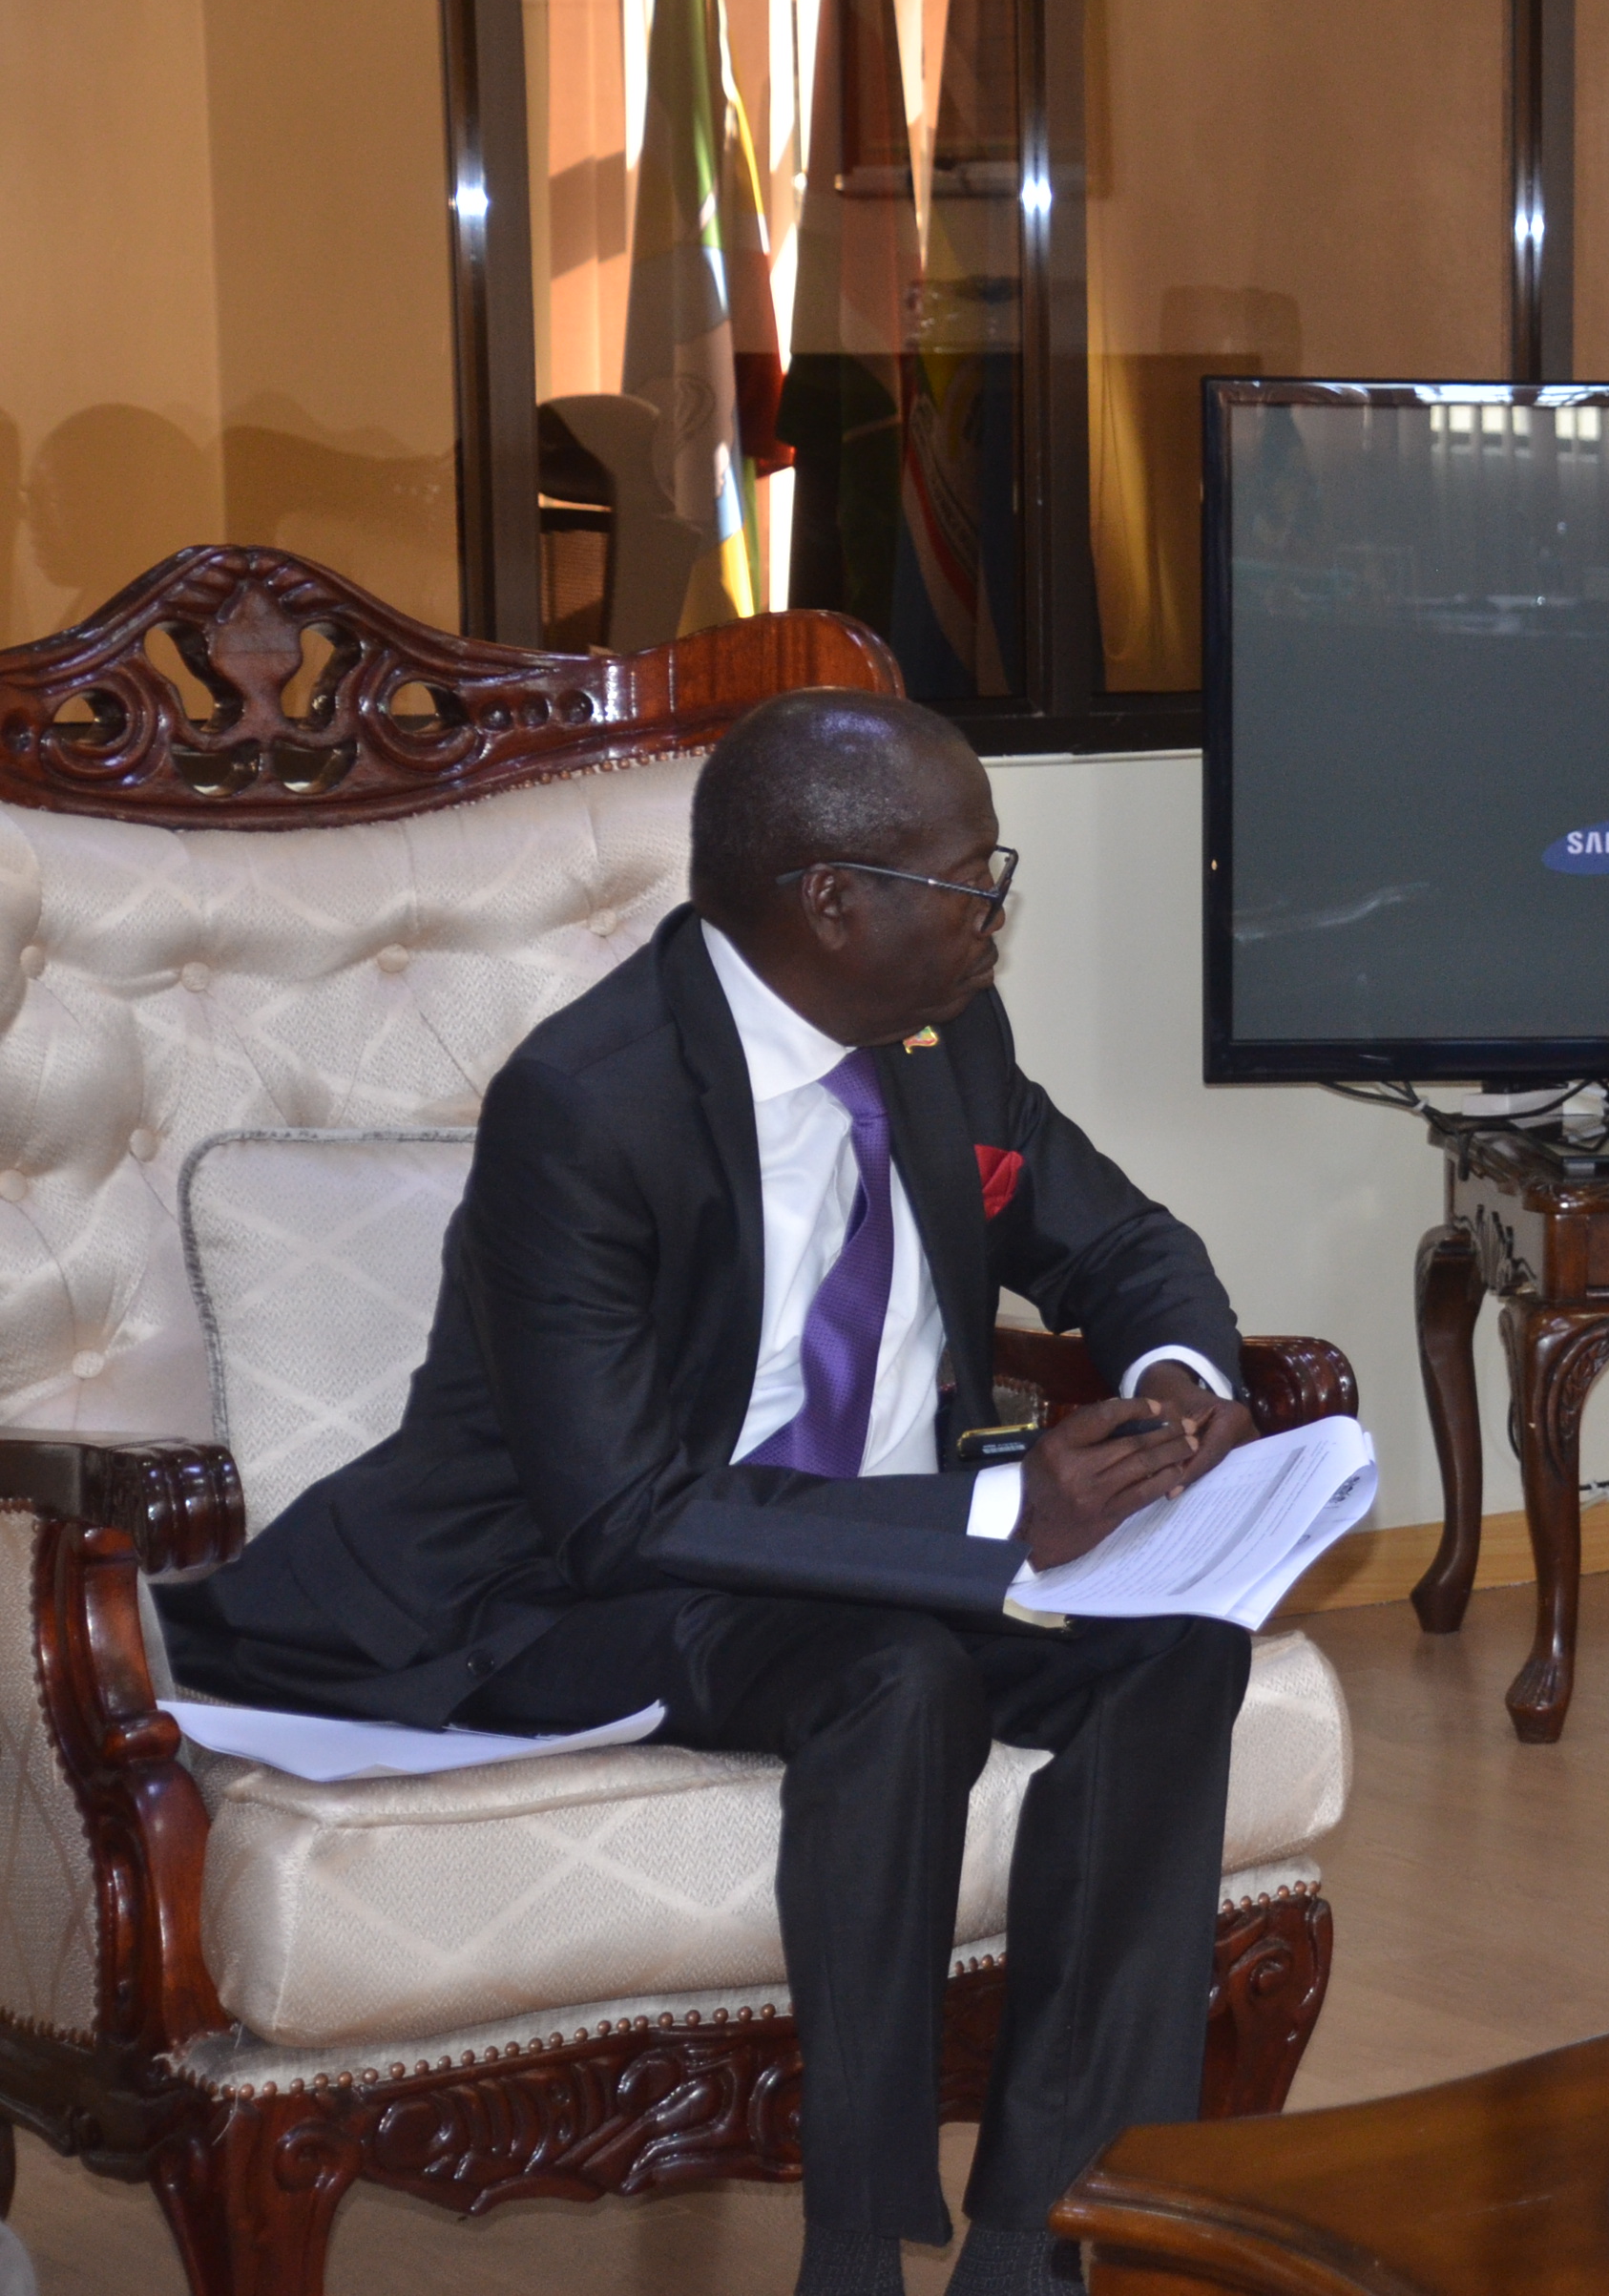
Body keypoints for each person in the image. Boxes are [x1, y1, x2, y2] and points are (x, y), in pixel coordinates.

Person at [159, 689, 1265, 2296]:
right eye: (973, 884)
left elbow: (1120, 1241)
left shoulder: (947, 1039)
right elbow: (616, 1510)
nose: (996, 918)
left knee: (1178, 1652)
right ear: (835, 900)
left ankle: (1044, 2241)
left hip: (867, 1550)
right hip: (566, 1585)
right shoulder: (594, 1100)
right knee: (897, 1676)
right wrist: (995, 1521)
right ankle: (855, 2252)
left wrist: (1180, 1378)